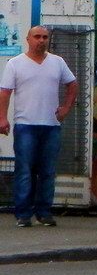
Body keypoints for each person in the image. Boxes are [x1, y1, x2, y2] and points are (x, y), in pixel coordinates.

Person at [0, 26, 79, 227]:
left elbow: (72, 84)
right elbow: (5, 93)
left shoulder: (57, 62)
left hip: (51, 125)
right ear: (28, 39)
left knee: (47, 171)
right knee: (24, 170)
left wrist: (66, 108)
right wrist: (2, 118)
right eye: (37, 37)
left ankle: (44, 212)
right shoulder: (15, 64)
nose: (41, 40)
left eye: (44, 37)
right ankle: (23, 213)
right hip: (26, 125)